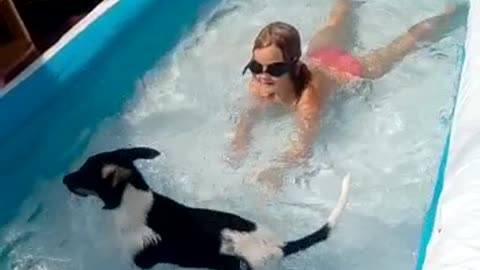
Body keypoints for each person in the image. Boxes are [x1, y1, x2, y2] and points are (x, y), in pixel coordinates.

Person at [226, 0, 463, 190]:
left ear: (294, 65)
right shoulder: (259, 84)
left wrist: (278, 168)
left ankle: (454, 12)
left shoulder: (307, 101)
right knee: (340, 14)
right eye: (256, 67)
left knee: (404, 44)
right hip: (320, 53)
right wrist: (240, 138)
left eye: (275, 69)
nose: (263, 76)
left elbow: (303, 149)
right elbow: (248, 115)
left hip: (345, 69)